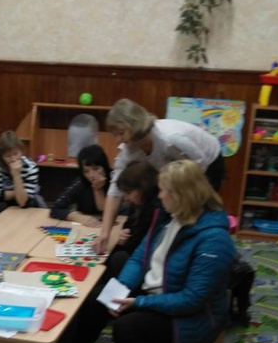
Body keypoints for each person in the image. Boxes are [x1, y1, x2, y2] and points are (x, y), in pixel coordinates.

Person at [58, 160, 236, 343]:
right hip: (160, 294)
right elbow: (140, 258)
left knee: (126, 329)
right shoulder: (169, 218)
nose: (159, 196)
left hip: (190, 317)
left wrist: (138, 302)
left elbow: (192, 299)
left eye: (164, 190)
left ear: (182, 195)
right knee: (97, 299)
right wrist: (119, 291)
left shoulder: (214, 240)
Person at [93, 98, 224, 254]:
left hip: (207, 164)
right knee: (167, 211)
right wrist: (105, 233)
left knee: (195, 212)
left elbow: (197, 170)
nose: (118, 140)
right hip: (177, 167)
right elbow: (115, 191)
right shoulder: (130, 149)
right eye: (115, 135)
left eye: (121, 133)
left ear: (134, 125)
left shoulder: (170, 139)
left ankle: (197, 249)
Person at [0, 130, 43, 219]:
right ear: (1, 157)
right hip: (3, 201)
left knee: (31, 204)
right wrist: (20, 193)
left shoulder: (31, 168)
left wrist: (16, 175)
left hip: (22, 201)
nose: (13, 159)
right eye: (8, 156)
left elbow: (23, 202)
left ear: (21, 151)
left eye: (16, 154)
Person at [50, 144, 111, 226]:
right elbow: (55, 208)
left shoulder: (114, 181)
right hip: (86, 228)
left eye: (96, 169)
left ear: (104, 167)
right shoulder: (81, 183)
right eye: (86, 171)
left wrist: (98, 189)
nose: (91, 175)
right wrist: (77, 217)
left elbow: (107, 213)